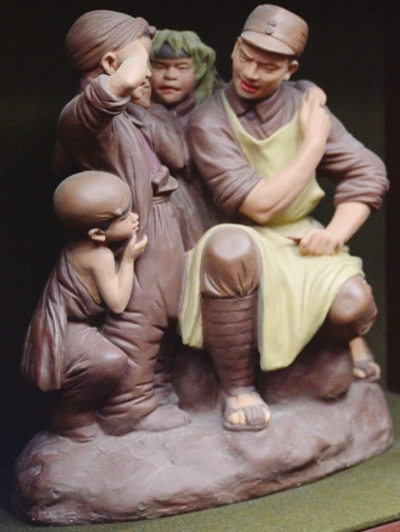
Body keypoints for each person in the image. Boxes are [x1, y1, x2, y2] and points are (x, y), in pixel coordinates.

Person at [179, 4, 389, 431]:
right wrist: (312, 145)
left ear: (290, 69)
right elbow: (258, 205)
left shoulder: (303, 105)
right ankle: (238, 387)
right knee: (229, 250)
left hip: (298, 239)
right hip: (241, 237)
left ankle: (328, 355)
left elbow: (368, 170)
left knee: (354, 306)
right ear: (235, 48)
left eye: (269, 66)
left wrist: (335, 233)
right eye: (246, 57)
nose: (251, 72)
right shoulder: (209, 120)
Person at [54, 10, 190, 434]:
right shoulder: (83, 116)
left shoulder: (129, 115)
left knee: (165, 312)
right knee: (140, 315)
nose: (150, 73)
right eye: (145, 61)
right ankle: (129, 405)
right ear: (112, 63)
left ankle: (157, 388)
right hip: (136, 225)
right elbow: (101, 100)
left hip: (160, 216)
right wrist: (127, 72)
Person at [21, 171, 147, 442]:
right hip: (68, 328)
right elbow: (117, 302)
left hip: (66, 324)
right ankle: (69, 417)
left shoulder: (77, 243)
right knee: (109, 361)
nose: (135, 218)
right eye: (124, 217)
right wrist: (128, 260)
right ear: (98, 234)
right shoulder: (98, 256)